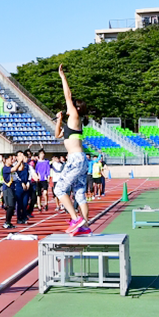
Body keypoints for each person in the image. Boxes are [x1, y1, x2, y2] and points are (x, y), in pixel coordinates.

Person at [53, 64, 90, 235]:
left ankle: (76, 219)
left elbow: (68, 95)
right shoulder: (71, 123)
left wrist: (62, 76)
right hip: (80, 159)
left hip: (75, 159)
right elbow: (57, 135)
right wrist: (59, 119)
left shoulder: (74, 115)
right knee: (80, 194)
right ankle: (85, 226)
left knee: (59, 189)